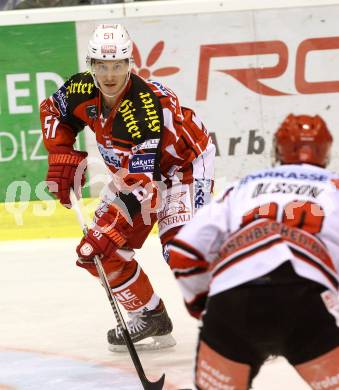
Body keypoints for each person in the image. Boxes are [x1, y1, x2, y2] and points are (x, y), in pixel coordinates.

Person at [40, 23, 215, 351]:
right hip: (137, 174)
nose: (110, 75)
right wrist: (60, 152)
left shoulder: (142, 109)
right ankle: (151, 317)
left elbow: (143, 186)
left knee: (183, 251)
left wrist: (111, 228)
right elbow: (53, 111)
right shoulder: (81, 89)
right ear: (91, 65)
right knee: (97, 254)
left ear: (129, 64)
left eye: (118, 65)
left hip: (182, 167)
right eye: (102, 66)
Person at [169, 114, 339, 389]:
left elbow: (184, 251)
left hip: (233, 302)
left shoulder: (243, 187)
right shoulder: (334, 187)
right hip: (306, 302)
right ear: (326, 151)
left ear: (277, 149)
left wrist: (202, 304)